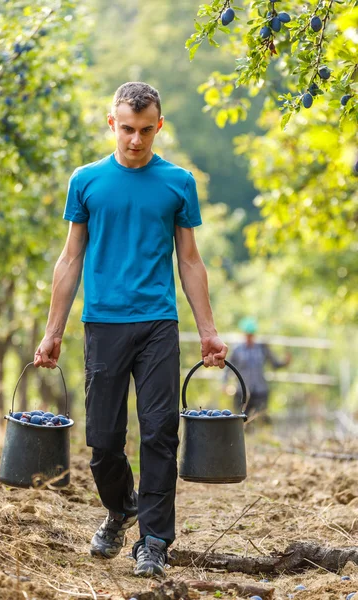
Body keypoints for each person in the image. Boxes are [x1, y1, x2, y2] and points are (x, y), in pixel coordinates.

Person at [34, 82, 227, 578]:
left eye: (145, 130)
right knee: (102, 439)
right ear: (111, 124)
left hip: (159, 324)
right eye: (126, 129)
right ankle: (122, 508)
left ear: (158, 126)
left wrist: (208, 331)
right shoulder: (87, 180)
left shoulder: (178, 182)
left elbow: (189, 261)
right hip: (102, 324)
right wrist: (52, 330)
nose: (135, 140)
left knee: (161, 433)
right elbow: (70, 257)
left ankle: (155, 541)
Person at [223, 317, 291, 420]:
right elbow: (227, 367)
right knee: (241, 421)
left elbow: (275, 364)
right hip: (242, 392)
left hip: (260, 391)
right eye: (247, 334)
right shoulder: (237, 350)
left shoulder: (262, 348)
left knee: (261, 419)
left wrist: (285, 362)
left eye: (251, 334)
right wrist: (225, 383)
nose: (249, 337)